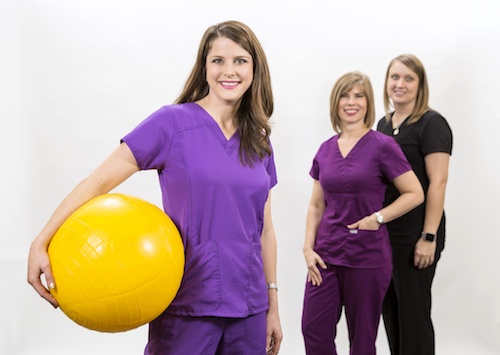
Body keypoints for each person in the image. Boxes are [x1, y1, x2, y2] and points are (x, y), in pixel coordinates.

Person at [27, 20, 283, 355]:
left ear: (254, 69)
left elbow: (264, 230)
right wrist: (41, 240)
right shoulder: (172, 124)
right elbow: (98, 182)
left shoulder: (259, 141)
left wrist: (273, 304)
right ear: (204, 68)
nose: (229, 71)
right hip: (188, 302)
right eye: (218, 60)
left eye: (240, 60)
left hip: (250, 307)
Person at [301, 71, 424, 355]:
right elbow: (316, 205)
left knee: (362, 339)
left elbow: (414, 193)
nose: (351, 102)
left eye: (359, 96)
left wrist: (378, 218)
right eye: (345, 95)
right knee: (313, 329)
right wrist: (308, 248)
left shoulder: (382, 145)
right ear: (336, 102)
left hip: (367, 255)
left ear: (368, 103)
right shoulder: (325, 150)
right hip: (325, 255)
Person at [377, 54, 453, 355]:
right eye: (395, 77)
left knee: (413, 313)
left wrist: (429, 236)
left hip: (416, 235)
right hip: (386, 234)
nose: (400, 84)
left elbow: (438, 182)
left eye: (409, 78)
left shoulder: (431, 124)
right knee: (390, 310)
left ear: (420, 85)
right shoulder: (383, 125)